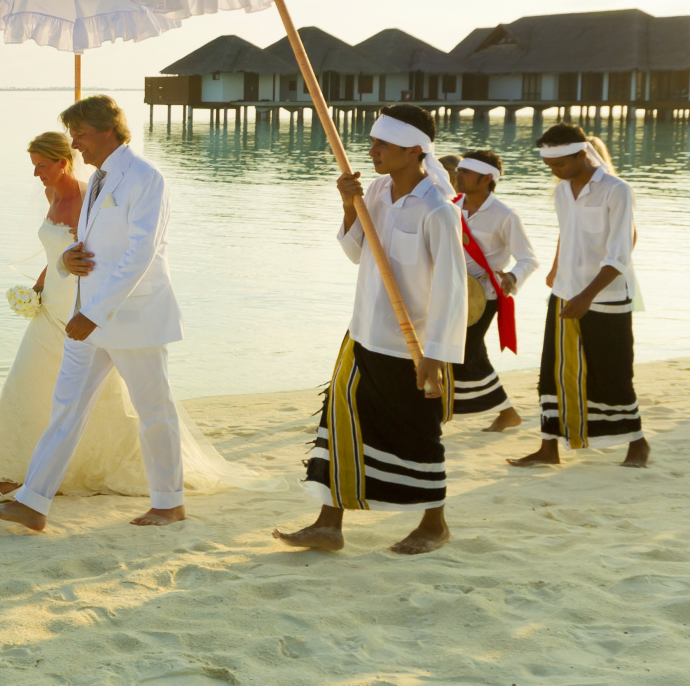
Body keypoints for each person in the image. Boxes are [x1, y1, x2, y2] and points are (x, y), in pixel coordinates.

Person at [0, 132, 255, 503]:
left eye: (42, 165)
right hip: (61, 302)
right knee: (45, 392)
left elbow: (121, 253)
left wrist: (91, 308)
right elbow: (64, 252)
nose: (36, 173)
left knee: (136, 404)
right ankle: (29, 491)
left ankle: (160, 499)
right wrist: (46, 278)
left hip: (96, 306)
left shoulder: (122, 184)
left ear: (62, 161)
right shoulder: (60, 192)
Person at [0, 95, 193, 531]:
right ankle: (34, 502)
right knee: (66, 407)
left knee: (154, 409)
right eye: (73, 135)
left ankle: (169, 502)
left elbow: (141, 253)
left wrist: (94, 313)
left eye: (80, 134)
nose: (75, 144)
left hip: (132, 317)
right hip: (87, 316)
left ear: (107, 131)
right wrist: (63, 263)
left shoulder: (146, 178)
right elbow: (88, 248)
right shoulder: (97, 180)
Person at [274, 105, 466, 555]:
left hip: (413, 345)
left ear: (414, 150)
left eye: (382, 144)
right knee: (339, 421)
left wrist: (434, 356)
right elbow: (356, 251)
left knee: (419, 431)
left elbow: (451, 291)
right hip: (362, 332)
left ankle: (435, 525)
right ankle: (328, 524)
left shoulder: (438, 210)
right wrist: (348, 205)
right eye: (373, 141)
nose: (372, 150)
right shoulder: (376, 191)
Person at [510, 125, 650, 468]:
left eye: (559, 164)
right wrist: (557, 271)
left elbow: (620, 255)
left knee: (612, 372)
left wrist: (587, 296)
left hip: (606, 298)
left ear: (580, 154)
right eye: (548, 165)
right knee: (553, 372)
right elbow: (567, 234)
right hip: (564, 294)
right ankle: (548, 448)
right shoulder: (562, 192)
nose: (553, 171)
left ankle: (637, 443)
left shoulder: (617, 191)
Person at [451, 149, 538, 431]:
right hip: (449, 290)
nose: (458, 175)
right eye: (459, 170)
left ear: (487, 178)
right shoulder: (450, 207)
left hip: (482, 296)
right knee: (452, 350)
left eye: (465, 172)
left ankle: (506, 412)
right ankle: (445, 407)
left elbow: (529, 258)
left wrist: (513, 276)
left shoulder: (505, 216)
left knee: (470, 351)